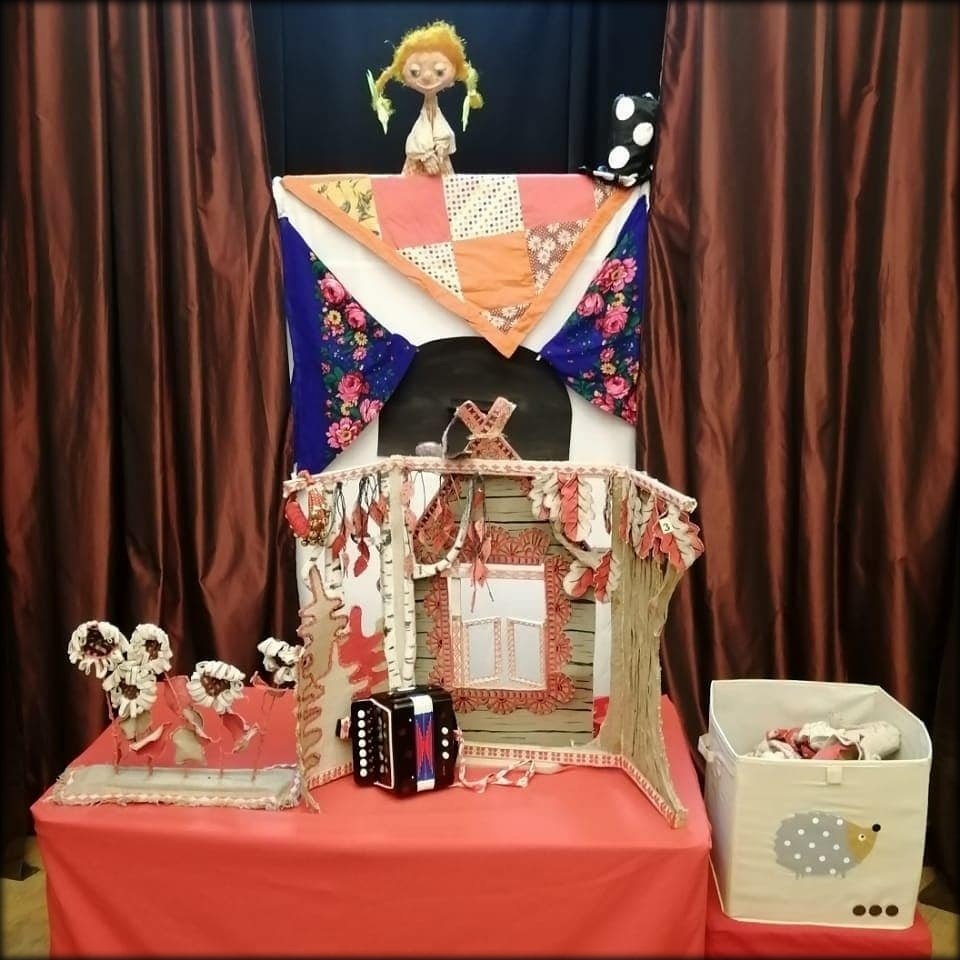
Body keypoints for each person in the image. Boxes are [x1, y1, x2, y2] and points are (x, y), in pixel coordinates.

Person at [366, 20, 484, 176]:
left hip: (439, 163)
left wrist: (442, 145)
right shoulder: (427, 113)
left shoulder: (433, 111)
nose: (427, 77)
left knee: (442, 189)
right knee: (414, 190)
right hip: (420, 163)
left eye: (440, 71)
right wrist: (426, 154)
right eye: (415, 72)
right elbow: (419, 132)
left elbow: (441, 129)